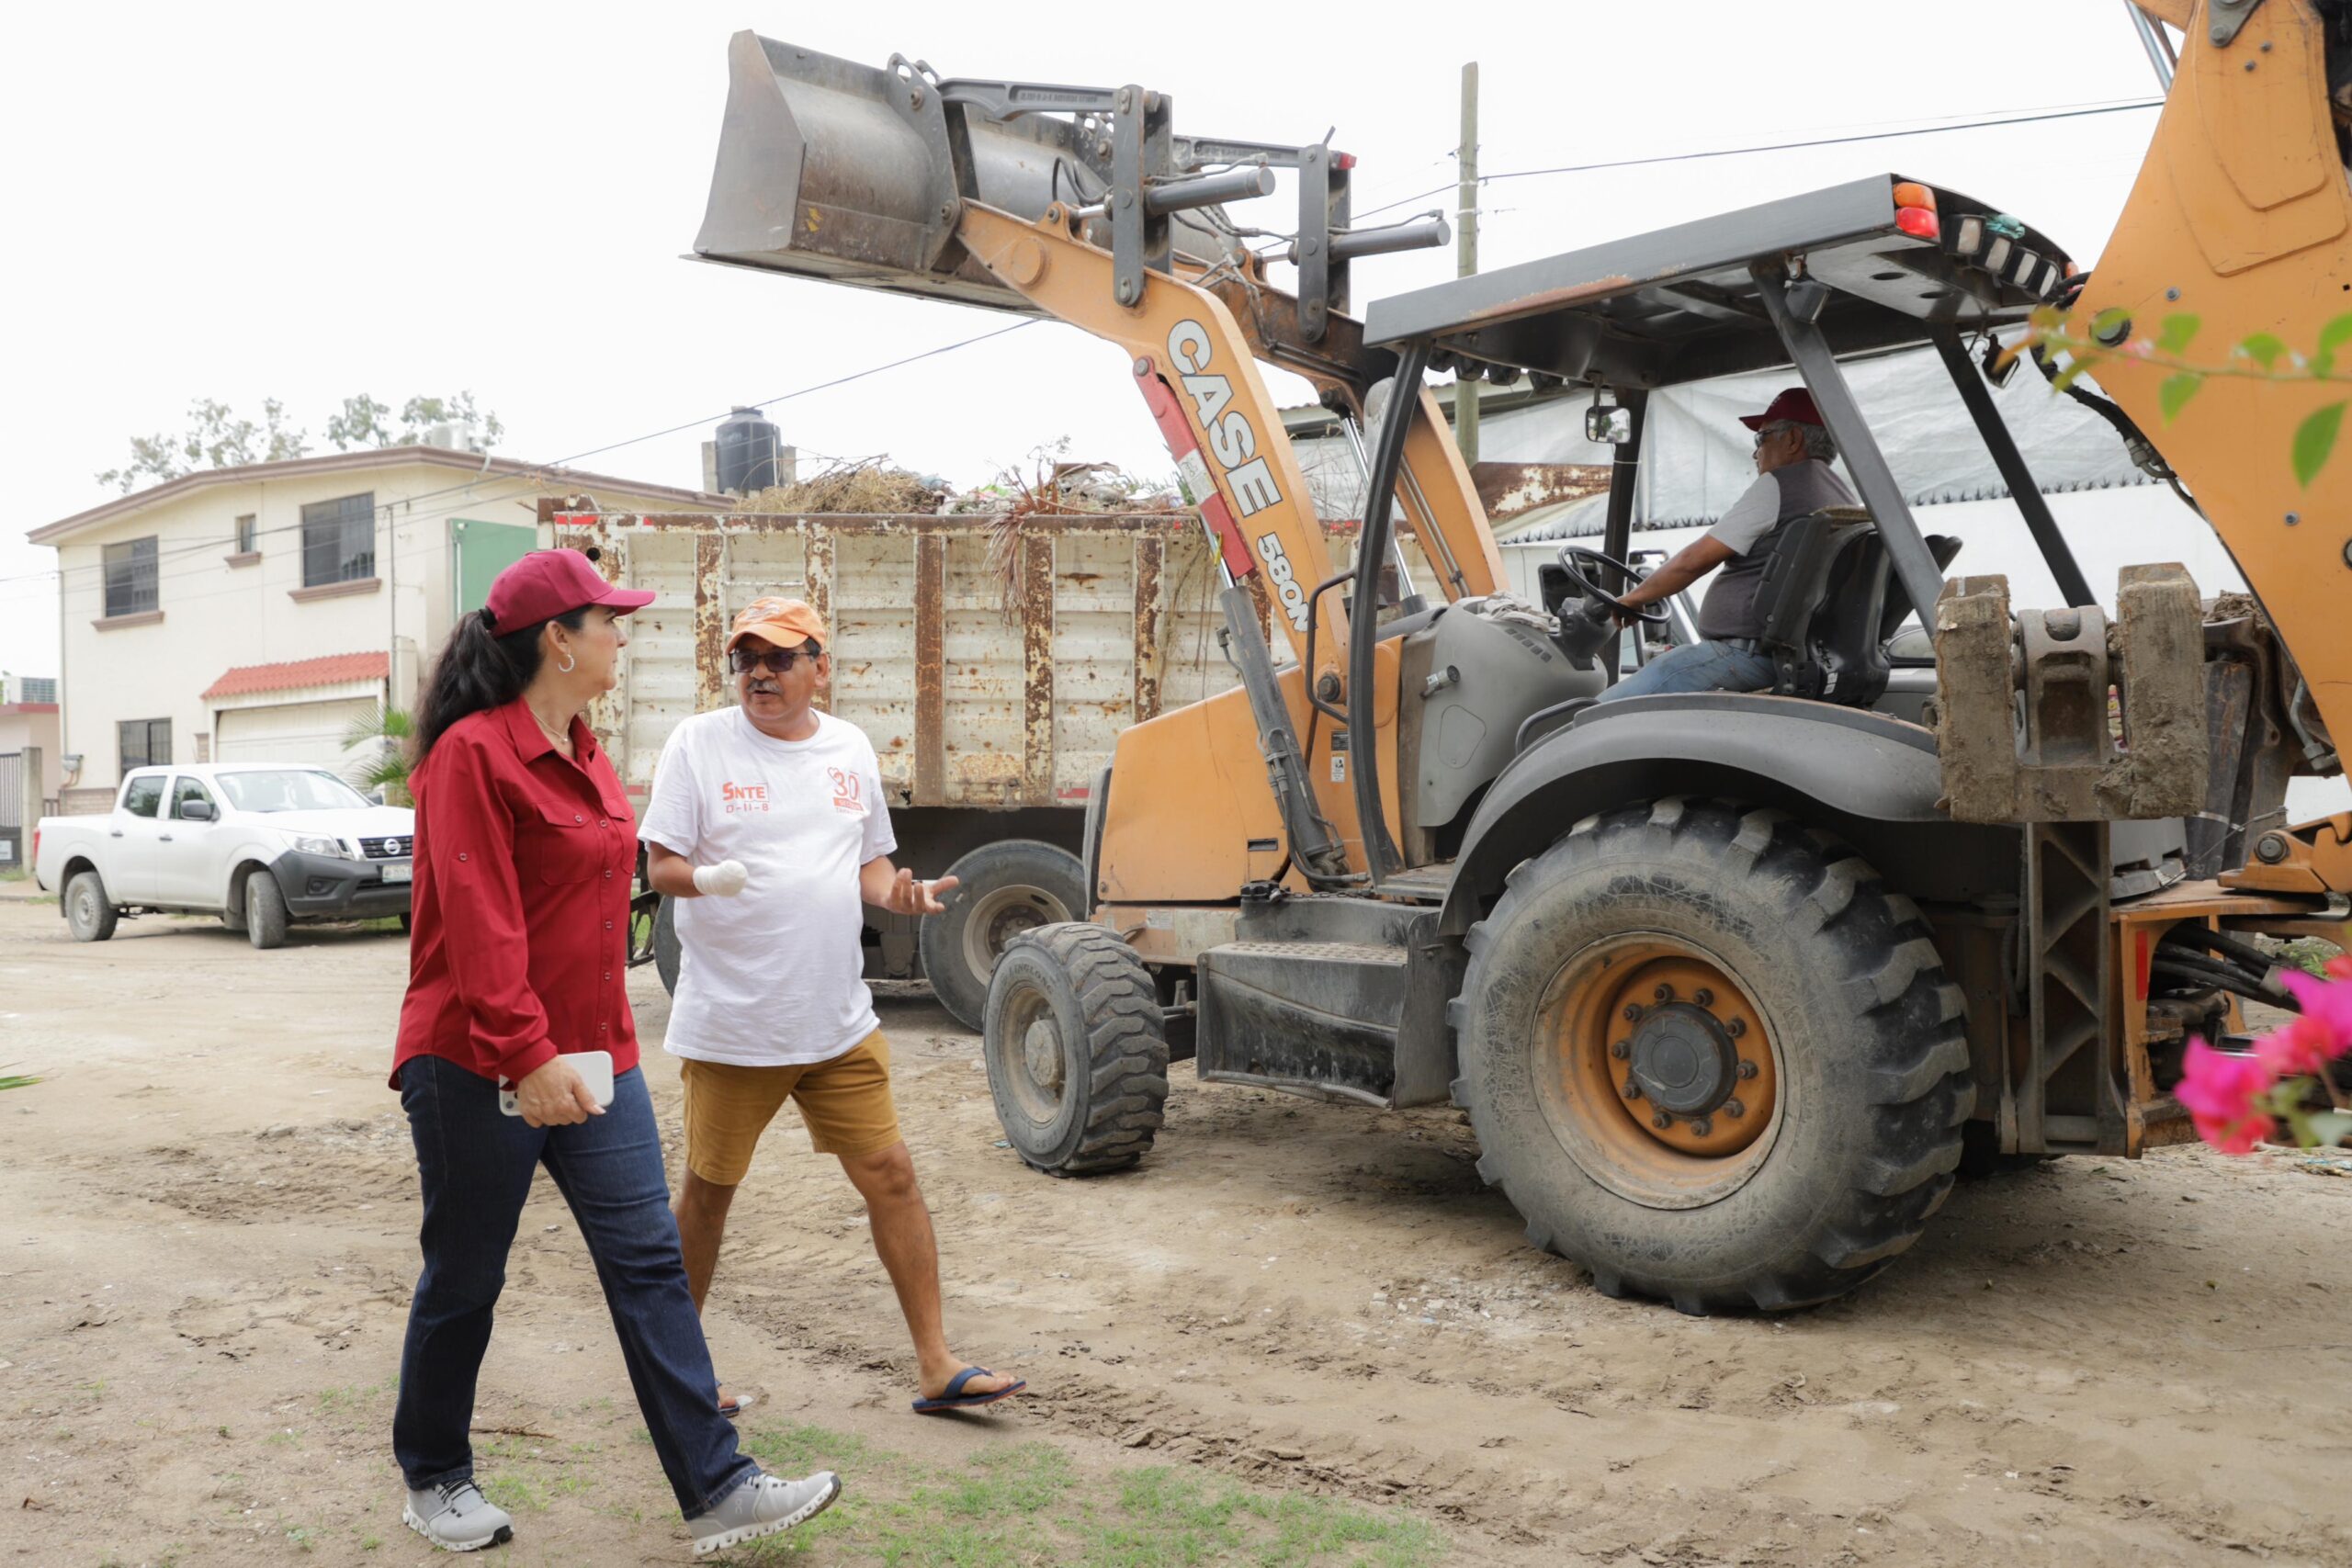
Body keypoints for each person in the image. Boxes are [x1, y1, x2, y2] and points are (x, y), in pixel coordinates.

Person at [390, 550, 842, 1557]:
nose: (621, 638)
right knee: (466, 1275)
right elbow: (477, 922)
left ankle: (719, 1488)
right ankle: (435, 1476)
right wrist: (526, 1055)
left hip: (599, 1057)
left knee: (650, 1267)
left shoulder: (587, 750)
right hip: (477, 1061)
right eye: (609, 622)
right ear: (559, 640)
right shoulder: (471, 754)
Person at [639, 596, 1027, 1418]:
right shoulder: (698, 744)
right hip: (736, 1026)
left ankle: (935, 1364)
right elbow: (661, 864)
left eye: (779, 657)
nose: (759, 673)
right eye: (746, 658)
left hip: (836, 1022)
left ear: (821, 665)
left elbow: (871, 865)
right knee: (707, 1194)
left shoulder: (849, 747)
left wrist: (904, 894)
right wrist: (706, 878)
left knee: (893, 1175)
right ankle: (676, 1378)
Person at [1592, 387, 1858, 702]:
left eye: (1762, 438)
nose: (1755, 452)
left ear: (1793, 439)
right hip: (1798, 659)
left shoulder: (1778, 486)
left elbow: (1696, 560)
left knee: (1596, 714)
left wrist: (1632, 600)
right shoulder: (1840, 495)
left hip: (1742, 656)